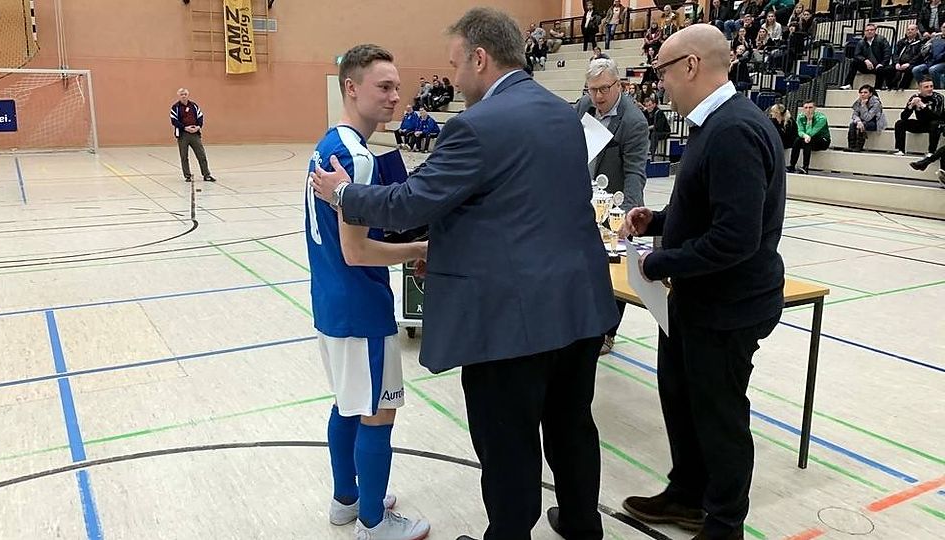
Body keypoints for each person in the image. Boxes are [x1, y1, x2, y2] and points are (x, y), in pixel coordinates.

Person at [310, 8, 619, 540]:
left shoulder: (476, 126)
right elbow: (515, 210)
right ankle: (580, 523)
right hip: (578, 305)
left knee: (508, 441)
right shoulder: (562, 113)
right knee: (571, 424)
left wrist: (344, 194)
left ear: (479, 58)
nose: (452, 78)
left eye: (455, 64)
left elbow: (410, 203)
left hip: (511, 322)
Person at [619, 25, 785, 540]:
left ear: (690, 65)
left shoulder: (734, 130)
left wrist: (659, 263)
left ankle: (724, 522)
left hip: (727, 307)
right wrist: (659, 221)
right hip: (697, 303)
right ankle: (688, 494)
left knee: (719, 417)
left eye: (663, 72)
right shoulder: (716, 124)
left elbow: (735, 238)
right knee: (682, 400)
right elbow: (708, 210)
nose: (661, 84)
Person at [303, 44, 430, 540]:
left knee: (349, 403)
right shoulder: (356, 158)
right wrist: (422, 248)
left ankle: (347, 500)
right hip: (360, 305)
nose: (395, 96)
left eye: (397, 86)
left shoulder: (328, 143)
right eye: (384, 86)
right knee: (378, 411)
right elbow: (357, 252)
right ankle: (374, 523)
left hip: (331, 300)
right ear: (351, 88)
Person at [575, 58, 649, 355]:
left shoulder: (634, 121)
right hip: (583, 199)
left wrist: (628, 214)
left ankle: (608, 331)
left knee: (611, 269)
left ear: (619, 85)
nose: (598, 96)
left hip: (614, 204)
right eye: (592, 89)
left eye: (604, 89)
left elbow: (635, 172)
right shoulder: (583, 107)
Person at [170, 88, 215, 183]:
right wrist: (185, 128)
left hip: (195, 134)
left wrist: (198, 127)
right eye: (181, 94)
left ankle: (206, 175)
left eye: (185, 94)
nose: (183, 96)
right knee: (184, 156)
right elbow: (174, 120)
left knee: (201, 155)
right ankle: (187, 176)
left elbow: (200, 116)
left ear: (188, 95)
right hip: (183, 135)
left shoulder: (194, 105)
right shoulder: (175, 107)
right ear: (179, 96)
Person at [894, 77, 944, 156]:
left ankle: (931, 152)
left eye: (931, 86)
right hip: (921, 123)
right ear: (920, 89)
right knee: (900, 123)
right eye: (926, 87)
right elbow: (903, 117)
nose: (930, 89)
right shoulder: (915, 97)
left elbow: (937, 116)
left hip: (936, 124)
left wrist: (922, 105)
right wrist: (911, 106)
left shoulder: (938, 97)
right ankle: (901, 150)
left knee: (934, 123)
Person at [840, 24, 891, 90]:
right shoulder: (861, 42)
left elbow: (887, 53)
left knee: (883, 69)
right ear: (864, 32)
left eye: (871, 30)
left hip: (879, 66)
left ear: (875, 31)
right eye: (867, 30)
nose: (869, 31)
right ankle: (848, 84)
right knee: (854, 62)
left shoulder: (882, 40)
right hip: (866, 66)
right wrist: (865, 60)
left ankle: (877, 88)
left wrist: (882, 64)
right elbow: (857, 55)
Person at [789, 100, 830, 173]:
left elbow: (811, 132)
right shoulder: (800, 117)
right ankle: (792, 165)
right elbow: (800, 131)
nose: (808, 110)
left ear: (815, 108)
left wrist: (809, 120)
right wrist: (805, 135)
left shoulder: (821, 118)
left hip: (823, 140)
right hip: (808, 139)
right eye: (806, 108)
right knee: (797, 140)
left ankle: (805, 166)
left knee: (807, 141)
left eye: (810, 107)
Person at [847, 84, 887, 151]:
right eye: (861, 92)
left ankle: (859, 146)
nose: (862, 94)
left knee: (863, 125)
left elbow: (868, 117)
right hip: (862, 121)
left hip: (875, 122)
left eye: (865, 92)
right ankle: (851, 146)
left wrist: (863, 106)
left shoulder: (876, 103)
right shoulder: (859, 101)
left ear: (870, 94)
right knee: (852, 124)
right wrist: (858, 121)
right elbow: (854, 114)